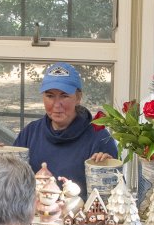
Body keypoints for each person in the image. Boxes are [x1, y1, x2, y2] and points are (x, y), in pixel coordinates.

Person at [12, 62, 118, 196]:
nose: (56, 104)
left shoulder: (99, 137)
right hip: (36, 215)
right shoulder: (31, 132)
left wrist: (106, 168)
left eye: (64, 95)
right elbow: (11, 180)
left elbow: (113, 194)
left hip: (81, 215)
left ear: (78, 97)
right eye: (50, 96)